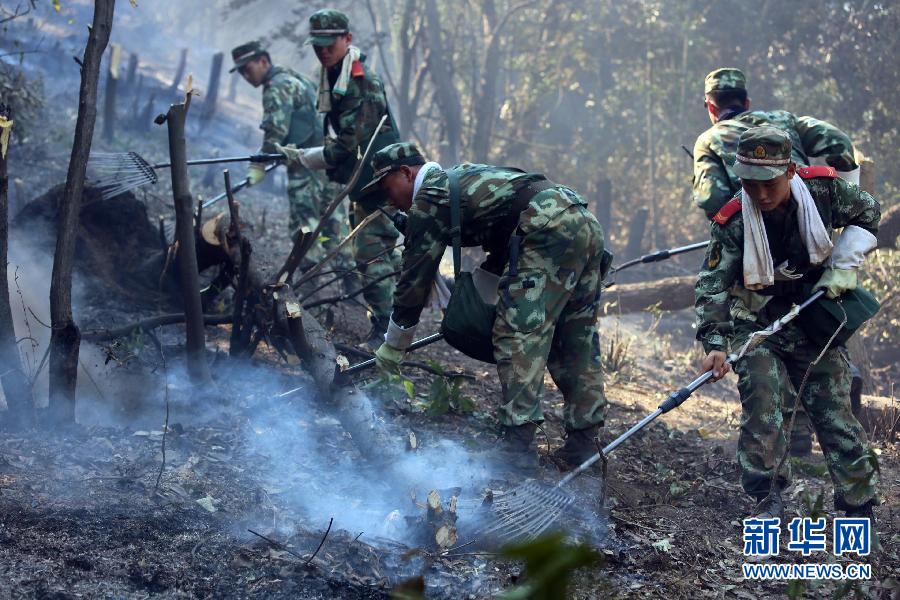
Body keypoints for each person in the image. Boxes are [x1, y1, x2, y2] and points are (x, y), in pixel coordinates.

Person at [367, 142, 609, 470]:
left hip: (545, 227)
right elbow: (505, 233)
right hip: (580, 219)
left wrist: (393, 347)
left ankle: (516, 447)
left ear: (407, 173)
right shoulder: (457, 181)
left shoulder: (429, 197)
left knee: (517, 333)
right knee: (575, 335)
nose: (389, 200)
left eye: (387, 188)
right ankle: (585, 444)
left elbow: (413, 281)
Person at [695, 126, 880, 522]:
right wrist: (714, 342)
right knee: (762, 399)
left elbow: (868, 211)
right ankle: (768, 499)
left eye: (769, 184)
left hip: (813, 317)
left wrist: (845, 264)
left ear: (791, 171)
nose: (760, 195)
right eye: (750, 184)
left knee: (834, 409)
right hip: (756, 323)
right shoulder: (731, 221)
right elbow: (712, 286)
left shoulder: (824, 192)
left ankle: (858, 503)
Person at [692, 68, 863, 456]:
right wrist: (835, 198)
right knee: (811, 326)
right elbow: (837, 141)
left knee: (767, 339)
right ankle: (810, 422)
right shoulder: (785, 121)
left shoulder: (710, 139)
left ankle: (793, 437)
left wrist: (738, 225)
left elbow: (712, 200)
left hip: (758, 261)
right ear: (747, 101)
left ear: (710, 107)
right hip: (810, 239)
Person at [277, 9, 401, 349]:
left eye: (328, 44)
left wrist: (307, 157)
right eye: (317, 45)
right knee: (382, 252)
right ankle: (395, 318)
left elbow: (351, 142)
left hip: (382, 180)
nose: (322, 51)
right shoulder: (334, 74)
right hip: (366, 178)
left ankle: (387, 335)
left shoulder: (359, 81)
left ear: (347, 39)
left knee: (370, 253)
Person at [229, 40, 346, 268]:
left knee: (305, 228)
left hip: (306, 167)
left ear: (263, 61)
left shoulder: (276, 87)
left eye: (247, 68)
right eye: (241, 71)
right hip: (327, 160)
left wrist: (259, 163)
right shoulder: (294, 78)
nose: (245, 75)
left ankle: (311, 291)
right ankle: (351, 284)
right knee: (334, 224)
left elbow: (275, 132)